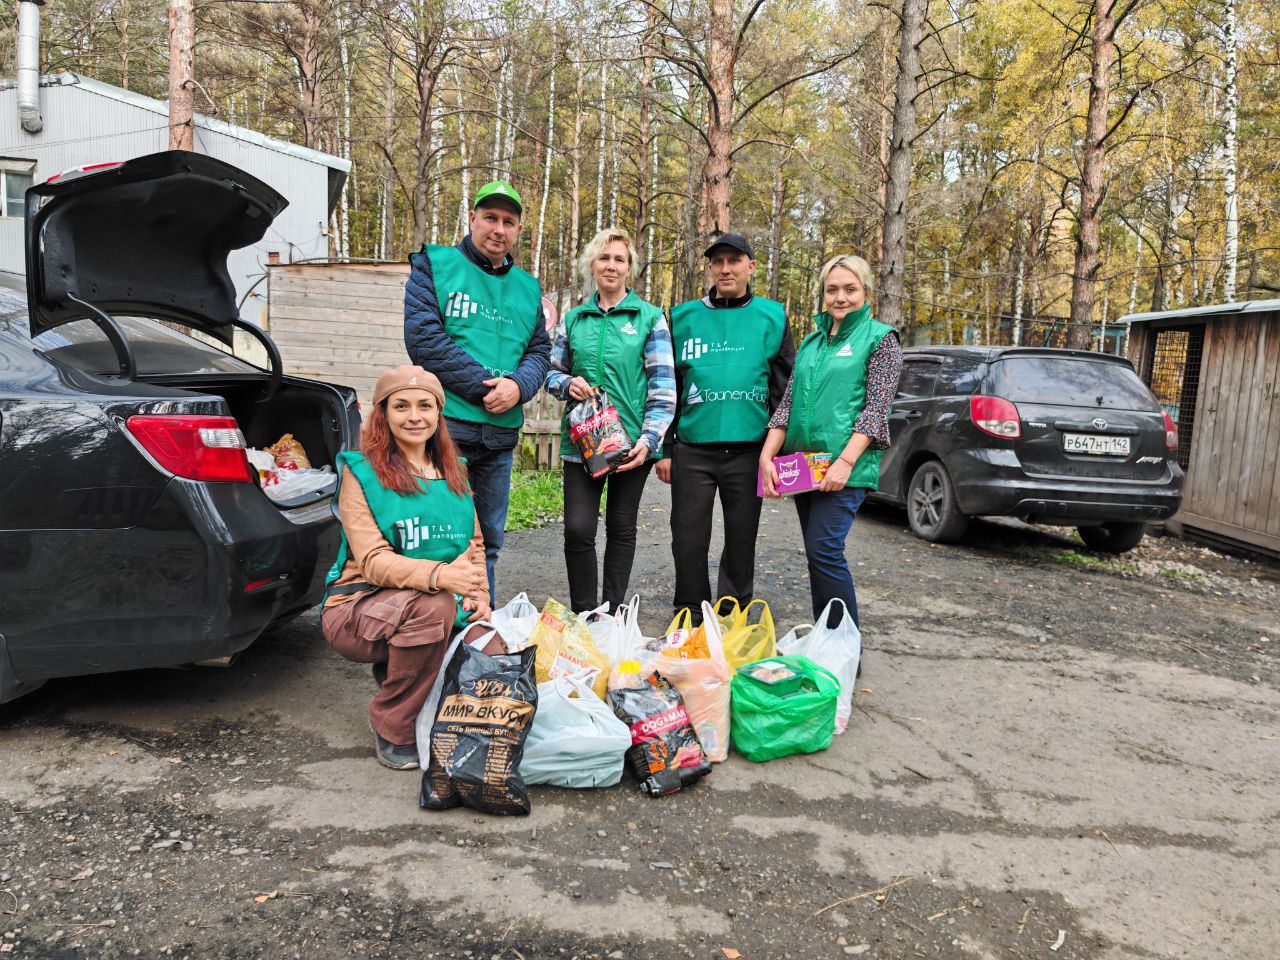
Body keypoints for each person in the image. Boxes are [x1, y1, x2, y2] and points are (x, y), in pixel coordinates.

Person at [322, 365, 494, 771]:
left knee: (495, 649)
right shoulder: (361, 474)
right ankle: (393, 723)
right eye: (400, 406)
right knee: (432, 610)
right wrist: (441, 578)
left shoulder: (455, 472)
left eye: (424, 406)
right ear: (383, 413)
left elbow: (475, 545)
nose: (414, 416)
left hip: (436, 599)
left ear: (438, 414)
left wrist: (479, 595)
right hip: (357, 610)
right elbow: (375, 563)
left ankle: (403, 671)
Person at [404, 180, 551, 604]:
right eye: (490, 218)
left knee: (488, 542)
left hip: (499, 439)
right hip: (446, 432)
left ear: (519, 230)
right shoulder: (437, 265)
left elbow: (539, 350)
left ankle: (475, 628)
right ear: (472, 219)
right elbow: (424, 338)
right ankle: (432, 631)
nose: (498, 229)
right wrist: (487, 387)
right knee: (441, 539)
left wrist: (518, 387)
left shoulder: (528, 288)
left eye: (509, 221)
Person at [759, 254, 902, 628]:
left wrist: (845, 462)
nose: (841, 298)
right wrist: (767, 457)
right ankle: (826, 639)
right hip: (807, 467)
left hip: (844, 469)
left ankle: (844, 647)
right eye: (832, 290)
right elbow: (788, 403)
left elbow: (876, 409)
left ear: (866, 292)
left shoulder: (881, 340)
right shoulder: (812, 342)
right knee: (816, 554)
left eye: (850, 289)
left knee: (825, 550)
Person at [658, 232, 794, 618]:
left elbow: (785, 387)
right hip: (693, 449)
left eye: (734, 260)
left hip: (750, 450)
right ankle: (690, 612)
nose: (725, 268)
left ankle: (732, 612)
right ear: (710, 268)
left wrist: (778, 454)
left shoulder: (773, 316)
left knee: (741, 539)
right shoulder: (682, 317)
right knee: (687, 538)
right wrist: (666, 449)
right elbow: (670, 386)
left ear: (751, 266)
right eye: (717, 261)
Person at [545, 227, 676, 612]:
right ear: (592, 264)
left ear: (629, 267)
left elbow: (664, 387)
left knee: (621, 529)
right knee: (578, 530)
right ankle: (585, 615)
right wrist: (567, 383)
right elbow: (549, 373)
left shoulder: (650, 318)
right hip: (582, 445)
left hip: (631, 446)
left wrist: (649, 440)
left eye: (619, 259)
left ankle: (613, 613)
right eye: (604, 258)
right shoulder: (573, 320)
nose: (611, 265)